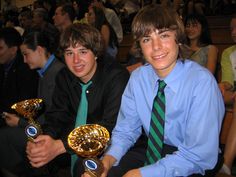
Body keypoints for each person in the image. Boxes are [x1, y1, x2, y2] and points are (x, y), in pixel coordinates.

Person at [83, 4, 225, 177]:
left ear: (178, 39)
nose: (156, 46)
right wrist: (107, 161)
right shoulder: (138, 78)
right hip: (154, 147)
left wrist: (141, 174)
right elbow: (126, 130)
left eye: (164, 35)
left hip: (195, 157)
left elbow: (198, 154)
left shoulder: (202, 82)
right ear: (140, 46)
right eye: (146, 39)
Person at [26, 23, 130, 177]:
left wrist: (61, 146)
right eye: (69, 53)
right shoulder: (64, 76)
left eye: (82, 51)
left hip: (112, 145)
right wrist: (44, 139)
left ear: (95, 52)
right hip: (72, 140)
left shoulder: (116, 76)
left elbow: (109, 126)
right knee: (35, 159)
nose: (76, 60)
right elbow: (57, 115)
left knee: (85, 170)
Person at [0, 31, 65, 177]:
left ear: (40, 50)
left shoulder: (56, 74)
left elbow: (53, 120)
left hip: (55, 135)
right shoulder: (45, 72)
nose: (24, 60)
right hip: (47, 128)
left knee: (3, 136)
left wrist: (20, 123)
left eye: (26, 54)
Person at [0, 27, 38, 127]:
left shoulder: (26, 69)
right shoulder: (3, 65)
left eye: (0, 48)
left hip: (16, 121)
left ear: (13, 50)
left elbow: (23, 107)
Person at [218, 14, 236, 175]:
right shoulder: (228, 52)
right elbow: (228, 80)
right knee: (212, 94)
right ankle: (210, 149)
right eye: (231, 29)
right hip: (234, 92)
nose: (234, 32)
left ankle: (226, 164)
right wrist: (221, 86)